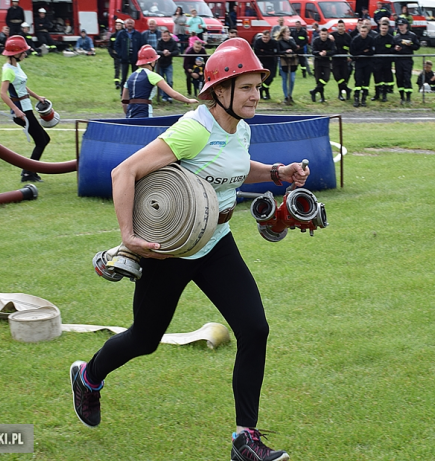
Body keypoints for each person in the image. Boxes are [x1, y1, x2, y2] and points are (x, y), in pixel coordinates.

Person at [69, 38, 307, 461]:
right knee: (145, 338)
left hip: (216, 244)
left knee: (255, 329)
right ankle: (89, 376)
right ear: (220, 91)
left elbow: (234, 168)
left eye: (257, 86)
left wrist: (274, 171)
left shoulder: (242, 128)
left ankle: (245, 440)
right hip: (171, 249)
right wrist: (128, 237)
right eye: (247, 87)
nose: (256, 94)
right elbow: (124, 171)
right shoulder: (194, 128)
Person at [0, 36, 52, 182]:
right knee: (42, 140)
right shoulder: (8, 70)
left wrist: (37, 97)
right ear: (14, 53)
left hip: (26, 108)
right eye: (23, 52)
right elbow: (3, 93)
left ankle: (30, 171)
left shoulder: (16, 66)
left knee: (43, 139)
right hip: (21, 112)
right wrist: (16, 110)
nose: (25, 54)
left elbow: (22, 86)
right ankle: (28, 173)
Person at [121, 45, 197, 118]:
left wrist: (128, 114)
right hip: (144, 113)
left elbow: (124, 102)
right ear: (152, 61)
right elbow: (173, 94)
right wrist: (188, 100)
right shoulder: (152, 75)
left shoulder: (131, 76)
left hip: (130, 114)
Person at [393, 17, 419, 104]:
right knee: (399, 78)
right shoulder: (396, 36)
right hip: (398, 60)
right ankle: (402, 97)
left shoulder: (412, 35)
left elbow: (417, 46)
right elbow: (392, 48)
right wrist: (395, 48)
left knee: (407, 78)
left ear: (406, 25)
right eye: (399, 25)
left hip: (407, 60)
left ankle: (408, 97)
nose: (401, 27)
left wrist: (410, 44)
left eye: (402, 25)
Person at [115, 19, 145, 91]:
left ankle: (134, 92)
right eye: (128, 23)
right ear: (125, 24)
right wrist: (121, 54)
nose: (129, 25)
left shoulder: (138, 34)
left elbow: (142, 45)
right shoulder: (121, 34)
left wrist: (139, 55)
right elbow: (116, 45)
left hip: (135, 59)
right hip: (124, 59)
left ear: (133, 25)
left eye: (131, 23)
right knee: (124, 77)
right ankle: (123, 94)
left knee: (135, 77)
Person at [350, 23, 374, 107]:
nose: (363, 33)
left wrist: (362, 52)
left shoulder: (370, 39)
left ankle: (364, 98)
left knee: (366, 82)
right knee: (358, 81)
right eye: (362, 31)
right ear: (359, 31)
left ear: (367, 31)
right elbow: (353, 52)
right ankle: (356, 98)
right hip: (359, 63)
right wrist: (363, 52)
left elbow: (372, 51)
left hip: (368, 63)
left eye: (365, 31)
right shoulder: (355, 40)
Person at [310, 27, 335, 103]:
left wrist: (326, 53)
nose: (323, 36)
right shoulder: (316, 40)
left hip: (326, 61)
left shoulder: (330, 41)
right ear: (319, 34)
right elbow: (313, 51)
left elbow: (334, 51)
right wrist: (319, 53)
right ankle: (322, 97)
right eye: (322, 34)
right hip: (318, 61)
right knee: (318, 79)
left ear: (327, 34)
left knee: (326, 78)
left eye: (325, 34)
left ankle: (314, 91)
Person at [371, 19, 394, 102]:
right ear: (380, 28)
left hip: (387, 63)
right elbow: (373, 50)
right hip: (377, 63)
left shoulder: (391, 39)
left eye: (385, 28)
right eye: (382, 28)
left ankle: (384, 95)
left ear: (387, 29)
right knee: (377, 79)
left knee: (385, 80)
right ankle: (377, 94)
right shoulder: (376, 38)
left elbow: (392, 49)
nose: (384, 30)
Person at [329, 20, 353, 101]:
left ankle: (340, 94)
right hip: (335, 60)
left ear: (344, 27)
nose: (340, 28)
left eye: (342, 26)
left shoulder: (348, 37)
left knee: (344, 77)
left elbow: (351, 47)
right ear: (337, 27)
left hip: (344, 60)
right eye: (339, 26)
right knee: (337, 76)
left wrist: (350, 55)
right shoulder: (333, 35)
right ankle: (347, 89)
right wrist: (329, 36)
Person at [276, 27, 299, 105]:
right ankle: (286, 96)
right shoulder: (279, 41)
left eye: (289, 32)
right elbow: (278, 51)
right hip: (283, 61)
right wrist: (285, 51)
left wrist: (289, 41)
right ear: (283, 33)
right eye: (287, 32)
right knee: (284, 79)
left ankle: (290, 94)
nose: (289, 33)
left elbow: (295, 48)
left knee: (292, 79)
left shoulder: (291, 39)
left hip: (292, 61)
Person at [253, 30, 279, 100]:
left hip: (271, 63)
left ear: (269, 37)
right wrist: (268, 52)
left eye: (266, 37)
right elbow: (256, 51)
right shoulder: (258, 42)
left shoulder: (273, 42)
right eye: (264, 37)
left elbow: (275, 52)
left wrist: (264, 51)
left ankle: (262, 89)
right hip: (261, 63)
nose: (265, 39)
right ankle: (265, 93)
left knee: (270, 78)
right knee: (262, 79)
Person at [156, 29, 179, 102]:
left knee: (169, 81)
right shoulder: (159, 41)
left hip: (168, 64)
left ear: (169, 36)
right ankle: (163, 96)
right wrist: (163, 52)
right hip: (159, 64)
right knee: (161, 81)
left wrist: (170, 53)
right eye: (163, 36)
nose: (165, 37)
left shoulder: (173, 42)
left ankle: (169, 96)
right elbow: (156, 51)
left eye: (166, 36)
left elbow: (177, 51)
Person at [108, 19, 124, 88]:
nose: (118, 26)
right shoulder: (113, 35)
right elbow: (109, 46)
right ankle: (117, 83)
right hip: (116, 56)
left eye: (119, 25)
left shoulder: (124, 35)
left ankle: (123, 82)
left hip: (123, 55)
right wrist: (112, 54)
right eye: (117, 25)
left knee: (124, 69)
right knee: (117, 69)